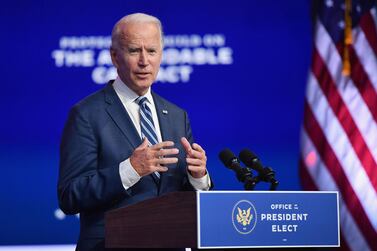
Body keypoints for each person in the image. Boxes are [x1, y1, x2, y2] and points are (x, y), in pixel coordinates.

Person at [58, 13, 211, 251]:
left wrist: (198, 177)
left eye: (151, 51)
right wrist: (130, 169)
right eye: (133, 51)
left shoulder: (177, 115)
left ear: (161, 55)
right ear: (114, 56)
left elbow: (185, 199)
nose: (144, 61)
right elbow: (70, 196)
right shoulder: (86, 114)